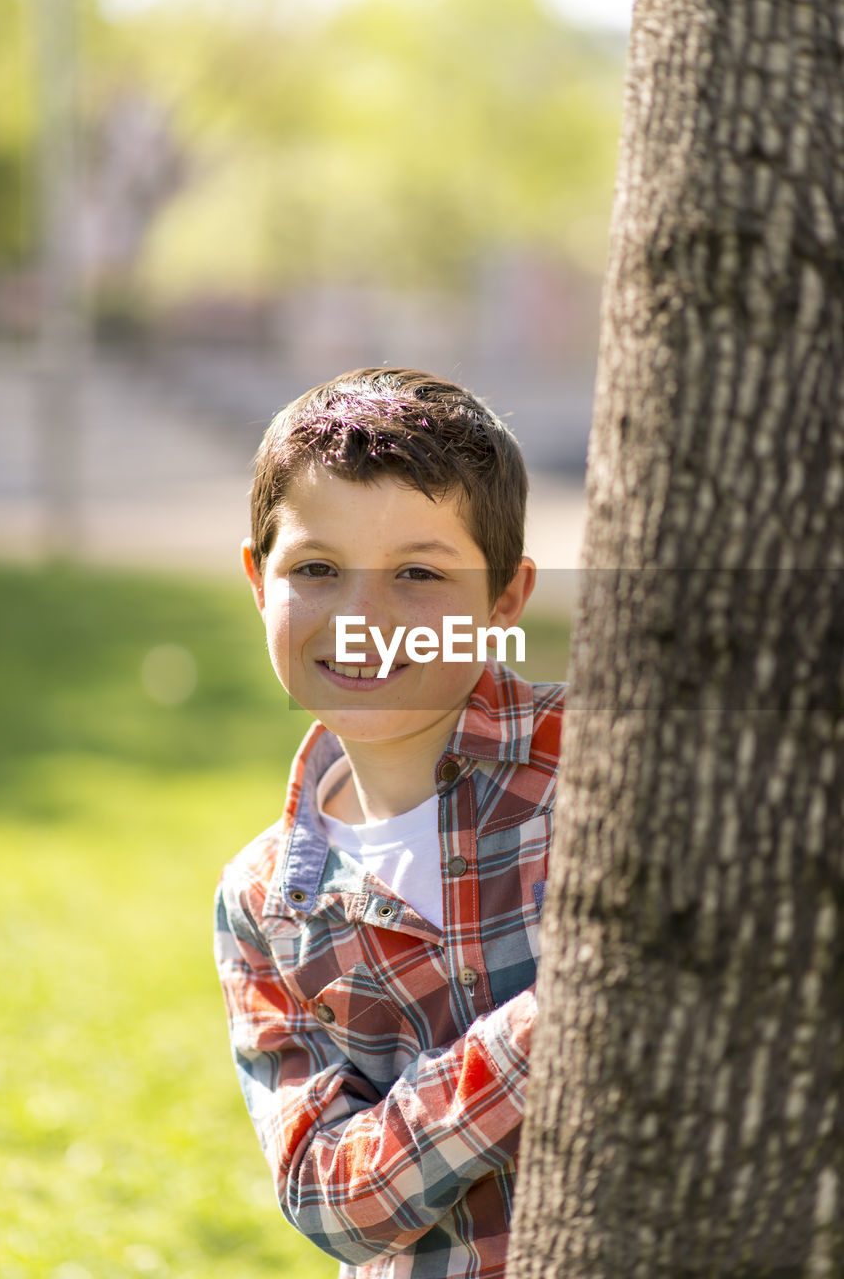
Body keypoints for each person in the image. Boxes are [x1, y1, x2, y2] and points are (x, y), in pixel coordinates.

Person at [214, 367, 566, 1279]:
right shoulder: (263, 903)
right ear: (259, 582)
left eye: (418, 572)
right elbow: (329, 1198)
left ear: (504, 602)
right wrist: (553, 1025)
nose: (364, 619)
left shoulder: (597, 764)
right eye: (318, 569)